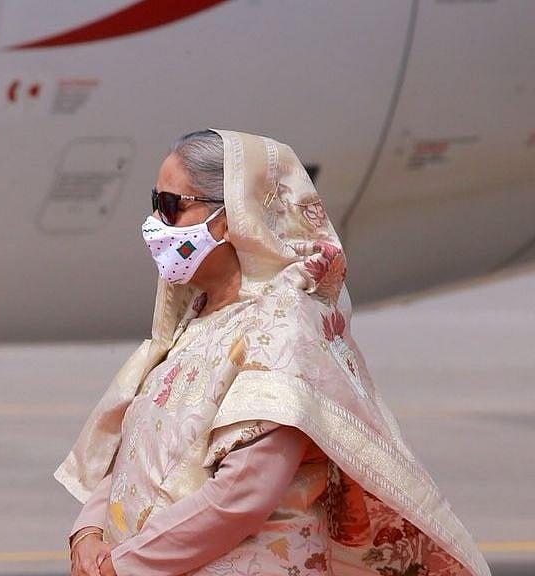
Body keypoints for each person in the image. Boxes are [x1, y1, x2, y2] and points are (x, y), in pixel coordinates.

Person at [58, 130, 490, 576]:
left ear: (229, 217)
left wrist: (123, 565)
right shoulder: (196, 323)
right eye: (155, 202)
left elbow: (243, 494)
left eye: (171, 206)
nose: (155, 222)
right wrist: (88, 533)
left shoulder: (281, 332)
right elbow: (135, 454)